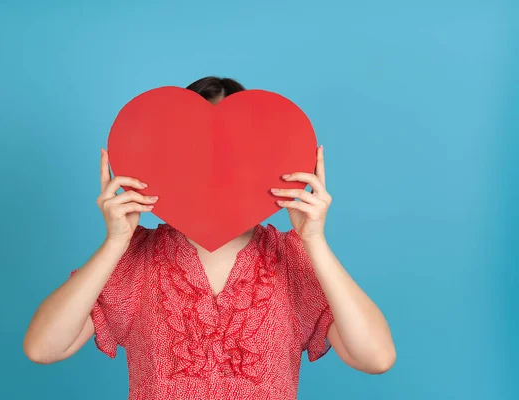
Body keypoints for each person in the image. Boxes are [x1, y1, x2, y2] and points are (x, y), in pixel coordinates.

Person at [23, 76, 396, 399]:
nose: (217, 165)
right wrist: (115, 242)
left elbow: (376, 357)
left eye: (235, 149)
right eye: (197, 149)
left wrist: (315, 240)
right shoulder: (133, 261)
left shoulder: (294, 258)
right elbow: (43, 348)